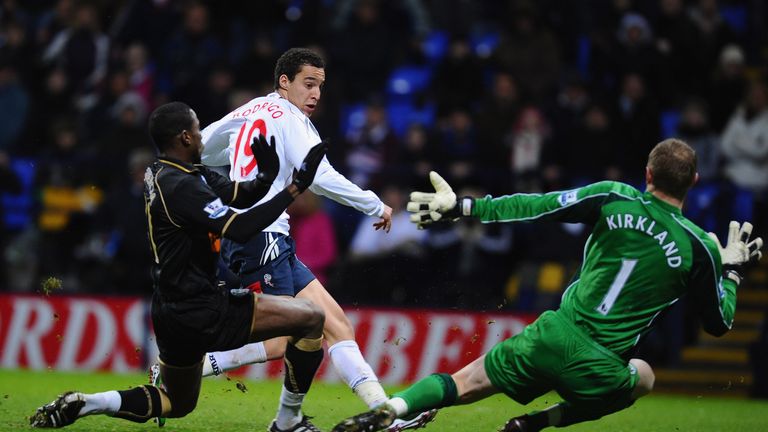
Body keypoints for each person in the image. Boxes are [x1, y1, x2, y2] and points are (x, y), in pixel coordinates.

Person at [332, 138, 764, 432]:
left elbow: (537, 206)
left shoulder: (614, 196)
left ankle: (393, 408)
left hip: (552, 334)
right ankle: (538, 424)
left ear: (647, 174)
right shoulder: (698, 247)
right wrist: (731, 272)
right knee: (645, 377)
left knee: (465, 382)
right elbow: (720, 324)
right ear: (694, 183)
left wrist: (464, 206)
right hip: (601, 367)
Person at [29, 102, 329, 430]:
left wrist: (266, 175)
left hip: (169, 309)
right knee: (311, 319)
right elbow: (241, 228)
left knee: (178, 402)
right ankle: (288, 422)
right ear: (185, 137)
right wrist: (295, 187)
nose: (203, 136)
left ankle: (91, 402)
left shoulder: (161, 173)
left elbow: (238, 195)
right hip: (202, 305)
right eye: (198, 129)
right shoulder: (182, 187)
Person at [191, 47, 435, 432]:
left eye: (320, 85)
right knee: (292, 336)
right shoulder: (291, 119)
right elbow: (319, 176)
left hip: (267, 236)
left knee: (335, 325)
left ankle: (384, 413)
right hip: (261, 239)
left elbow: (201, 149)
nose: (316, 94)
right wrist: (375, 205)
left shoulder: (249, 109)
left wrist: (222, 187)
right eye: (308, 84)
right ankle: (196, 366)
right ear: (284, 83)